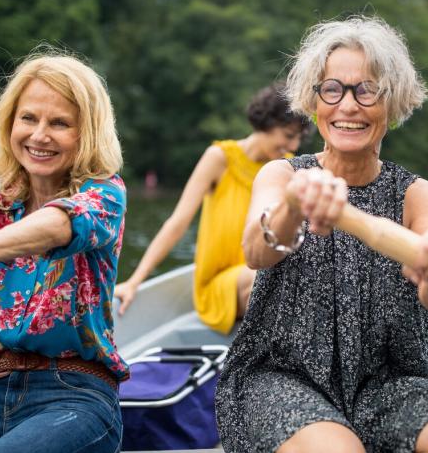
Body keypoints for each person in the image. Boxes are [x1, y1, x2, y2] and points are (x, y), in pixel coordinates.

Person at [215, 16, 428, 453]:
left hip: (386, 384)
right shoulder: (282, 174)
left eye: (366, 91)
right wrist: (295, 205)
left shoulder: (418, 194)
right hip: (281, 378)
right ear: (312, 102)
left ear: (393, 104)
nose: (347, 105)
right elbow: (256, 249)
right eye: (331, 90)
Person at [0, 52, 127, 453]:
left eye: (59, 123)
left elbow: (60, 226)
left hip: (73, 401)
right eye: (28, 118)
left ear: (87, 133)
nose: (39, 135)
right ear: (9, 123)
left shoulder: (105, 194)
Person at [114, 83, 310, 334]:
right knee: (263, 278)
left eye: (297, 138)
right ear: (267, 123)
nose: (292, 145)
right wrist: (134, 281)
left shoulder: (285, 167)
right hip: (220, 284)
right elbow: (178, 222)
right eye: (287, 134)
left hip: (264, 270)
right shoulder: (220, 157)